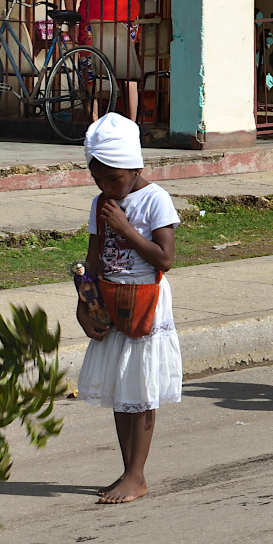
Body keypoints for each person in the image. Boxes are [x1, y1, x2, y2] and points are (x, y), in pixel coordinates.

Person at [75, 113, 182, 504]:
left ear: (134, 167)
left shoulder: (156, 200)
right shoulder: (101, 203)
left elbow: (164, 258)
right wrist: (84, 306)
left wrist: (125, 228)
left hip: (146, 302)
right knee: (122, 389)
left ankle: (137, 474)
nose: (106, 187)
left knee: (142, 386)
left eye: (112, 179)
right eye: (98, 180)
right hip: (111, 300)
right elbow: (93, 259)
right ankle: (127, 471)